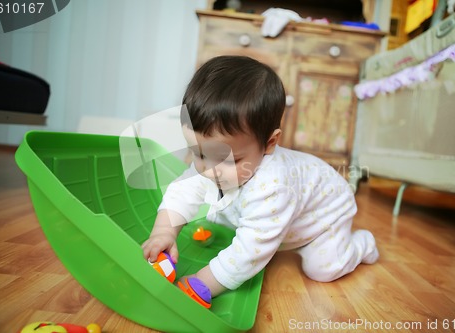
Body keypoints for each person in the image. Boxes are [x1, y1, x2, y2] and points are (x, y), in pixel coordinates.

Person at [142, 55, 379, 297]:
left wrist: (205, 282)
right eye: (197, 153)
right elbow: (183, 191)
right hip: (283, 209)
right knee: (220, 206)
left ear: (269, 143)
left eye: (229, 160)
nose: (209, 169)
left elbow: (251, 250)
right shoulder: (217, 163)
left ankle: (362, 245)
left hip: (326, 212)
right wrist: (164, 232)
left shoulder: (273, 186)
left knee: (322, 269)